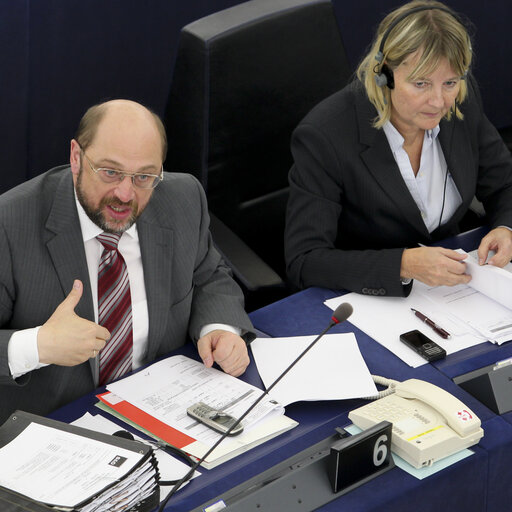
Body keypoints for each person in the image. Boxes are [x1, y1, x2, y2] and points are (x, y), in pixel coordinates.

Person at [0, 99, 255, 423]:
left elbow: (208, 275)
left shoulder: (183, 198)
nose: (124, 193)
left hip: (164, 408)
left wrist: (218, 327)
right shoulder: (9, 225)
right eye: (110, 172)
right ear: (76, 157)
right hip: (55, 427)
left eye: (144, 177)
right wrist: (37, 346)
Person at [285, 0, 512, 297]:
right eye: (421, 84)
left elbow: (505, 184)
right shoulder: (324, 137)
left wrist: (506, 228)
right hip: (367, 298)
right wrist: (402, 264)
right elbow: (305, 261)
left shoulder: (460, 104)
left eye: (450, 82)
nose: (439, 101)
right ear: (384, 75)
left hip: (454, 291)